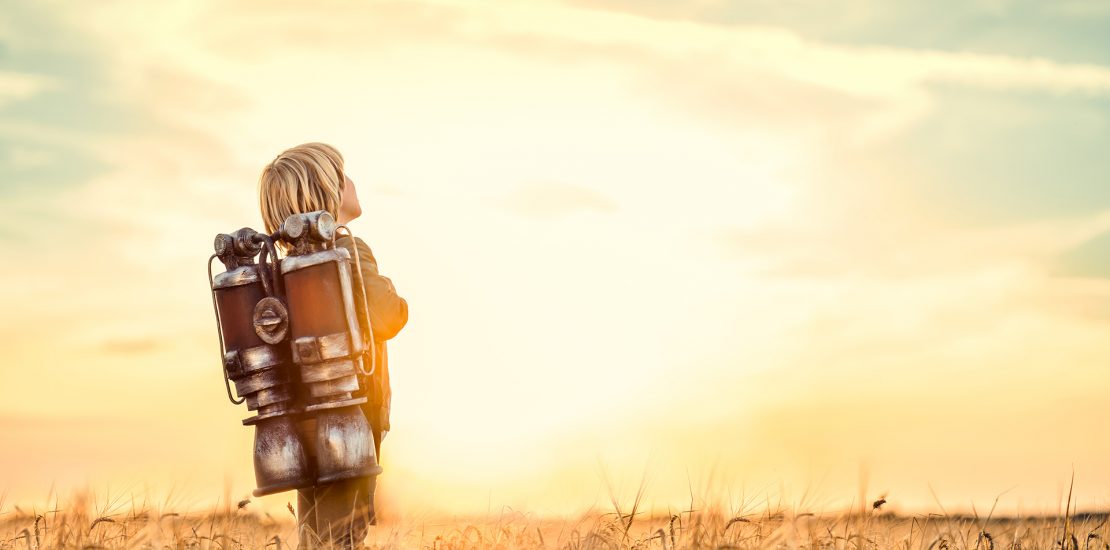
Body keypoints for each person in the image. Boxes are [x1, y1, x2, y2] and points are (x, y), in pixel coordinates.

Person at [257, 142, 408, 549]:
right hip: (349, 418)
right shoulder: (349, 251)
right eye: (344, 175)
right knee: (343, 534)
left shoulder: (283, 268)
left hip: (302, 419)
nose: (353, 182)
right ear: (328, 191)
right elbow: (389, 316)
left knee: (316, 532)